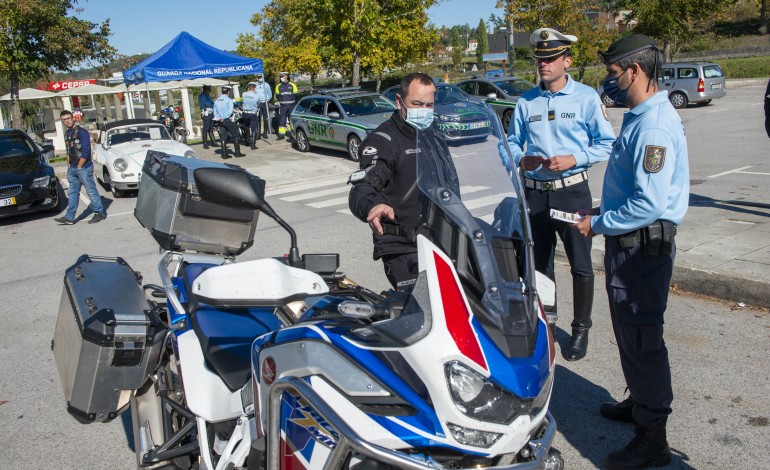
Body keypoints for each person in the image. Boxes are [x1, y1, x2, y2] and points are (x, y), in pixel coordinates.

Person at [574, 34, 690, 470]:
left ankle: (652, 436)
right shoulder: (643, 116)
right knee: (629, 332)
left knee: (642, 339)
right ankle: (639, 402)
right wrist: (603, 210)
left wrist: (598, 223)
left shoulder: (654, 125)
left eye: (614, 73)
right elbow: (634, 192)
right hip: (631, 245)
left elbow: (651, 203)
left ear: (635, 71)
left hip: (641, 250)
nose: (612, 81)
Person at [506, 27, 615, 361]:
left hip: (571, 193)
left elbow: (607, 143)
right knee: (540, 266)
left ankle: (581, 329)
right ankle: (547, 324)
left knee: (581, 264)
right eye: (540, 59)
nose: (544, 64)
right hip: (536, 193)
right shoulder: (526, 100)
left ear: (566, 61)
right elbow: (510, 143)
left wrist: (575, 158)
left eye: (551, 59)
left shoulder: (585, 98)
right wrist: (520, 159)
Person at [348, 72, 439, 291]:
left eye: (429, 105)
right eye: (417, 104)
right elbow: (364, 184)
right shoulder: (383, 140)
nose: (424, 111)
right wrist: (373, 204)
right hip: (403, 248)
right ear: (399, 102)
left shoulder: (431, 134)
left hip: (435, 241)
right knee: (419, 311)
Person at [54, 110, 107, 225]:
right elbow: (68, 151)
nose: (67, 121)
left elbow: (86, 151)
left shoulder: (82, 132)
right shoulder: (67, 134)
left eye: (68, 118)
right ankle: (69, 217)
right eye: (64, 119)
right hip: (72, 168)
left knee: (91, 191)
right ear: (62, 121)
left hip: (84, 168)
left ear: (73, 118)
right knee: (72, 192)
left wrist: (79, 167)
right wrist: (69, 166)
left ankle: (100, 213)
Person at [213, 85, 244, 158]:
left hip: (220, 121)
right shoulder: (229, 100)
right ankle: (237, 153)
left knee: (223, 137)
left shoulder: (217, 100)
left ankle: (224, 154)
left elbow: (215, 111)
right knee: (236, 136)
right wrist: (223, 117)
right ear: (228, 92)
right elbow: (230, 111)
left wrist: (219, 118)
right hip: (228, 120)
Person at [275, 71, 297, 140]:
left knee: (292, 120)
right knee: (282, 120)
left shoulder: (292, 85)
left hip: (291, 105)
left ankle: (293, 134)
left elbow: (295, 94)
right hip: (283, 106)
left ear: (286, 76)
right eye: (281, 76)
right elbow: (277, 95)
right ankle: (281, 135)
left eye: (283, 76)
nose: (281, 77)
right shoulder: (278, 86)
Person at [253, 72, 273, 140]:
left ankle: (265, 133)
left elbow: (270, 95)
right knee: (258, 118)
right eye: (258, 77)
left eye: (260, 77)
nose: (259, 78)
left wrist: (267, 100)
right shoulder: (255, 85)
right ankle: (258, 133)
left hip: (265, 103)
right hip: (258, 103)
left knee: (266, 118)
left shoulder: (266, 85)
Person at [241, 81, 260, 150]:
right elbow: (258, 103)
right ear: (254, 88)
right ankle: (253, 145)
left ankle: (247, 141)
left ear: (248, 87)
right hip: (253, 113)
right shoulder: (257, 96)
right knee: (254, 129)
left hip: (245, 113)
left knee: (246, 126)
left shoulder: (244, 94)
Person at [198, 85, 215, 149]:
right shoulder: (202, 96)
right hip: (206, 114)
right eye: (208, 90)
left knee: (211, 129)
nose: (209, 91)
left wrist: (210, 105)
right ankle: (205, 143)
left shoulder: (208, 96)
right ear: (205, 90)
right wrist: (210, 105)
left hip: (211, 113)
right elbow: (208, 104)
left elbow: (212, 103)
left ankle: (213, 142)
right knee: (206, 129)